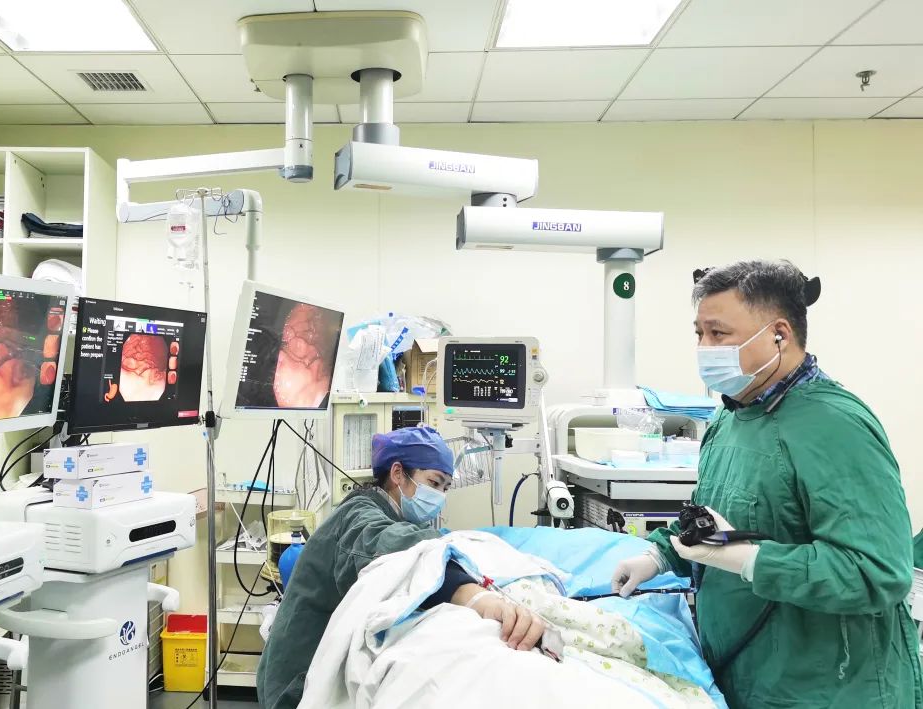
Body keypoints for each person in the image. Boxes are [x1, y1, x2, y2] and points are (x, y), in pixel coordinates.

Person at [612, 260, 921, 708]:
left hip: (828, 687)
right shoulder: (731, 416)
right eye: (699, 334)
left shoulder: (835, 426)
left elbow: (876, 572)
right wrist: (660, 553)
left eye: (718, 334)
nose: (704, 348)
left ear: (779, 334)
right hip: (749, 675)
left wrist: (751, 560)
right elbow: (709, 516)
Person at [257, 426, 545, 709]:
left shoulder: (385, 513)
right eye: (434, 483)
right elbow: (393, 549)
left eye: (445, 488)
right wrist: (477, 597)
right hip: (297, 682)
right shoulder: (359, 516)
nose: (440, 496)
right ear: (397, 474)